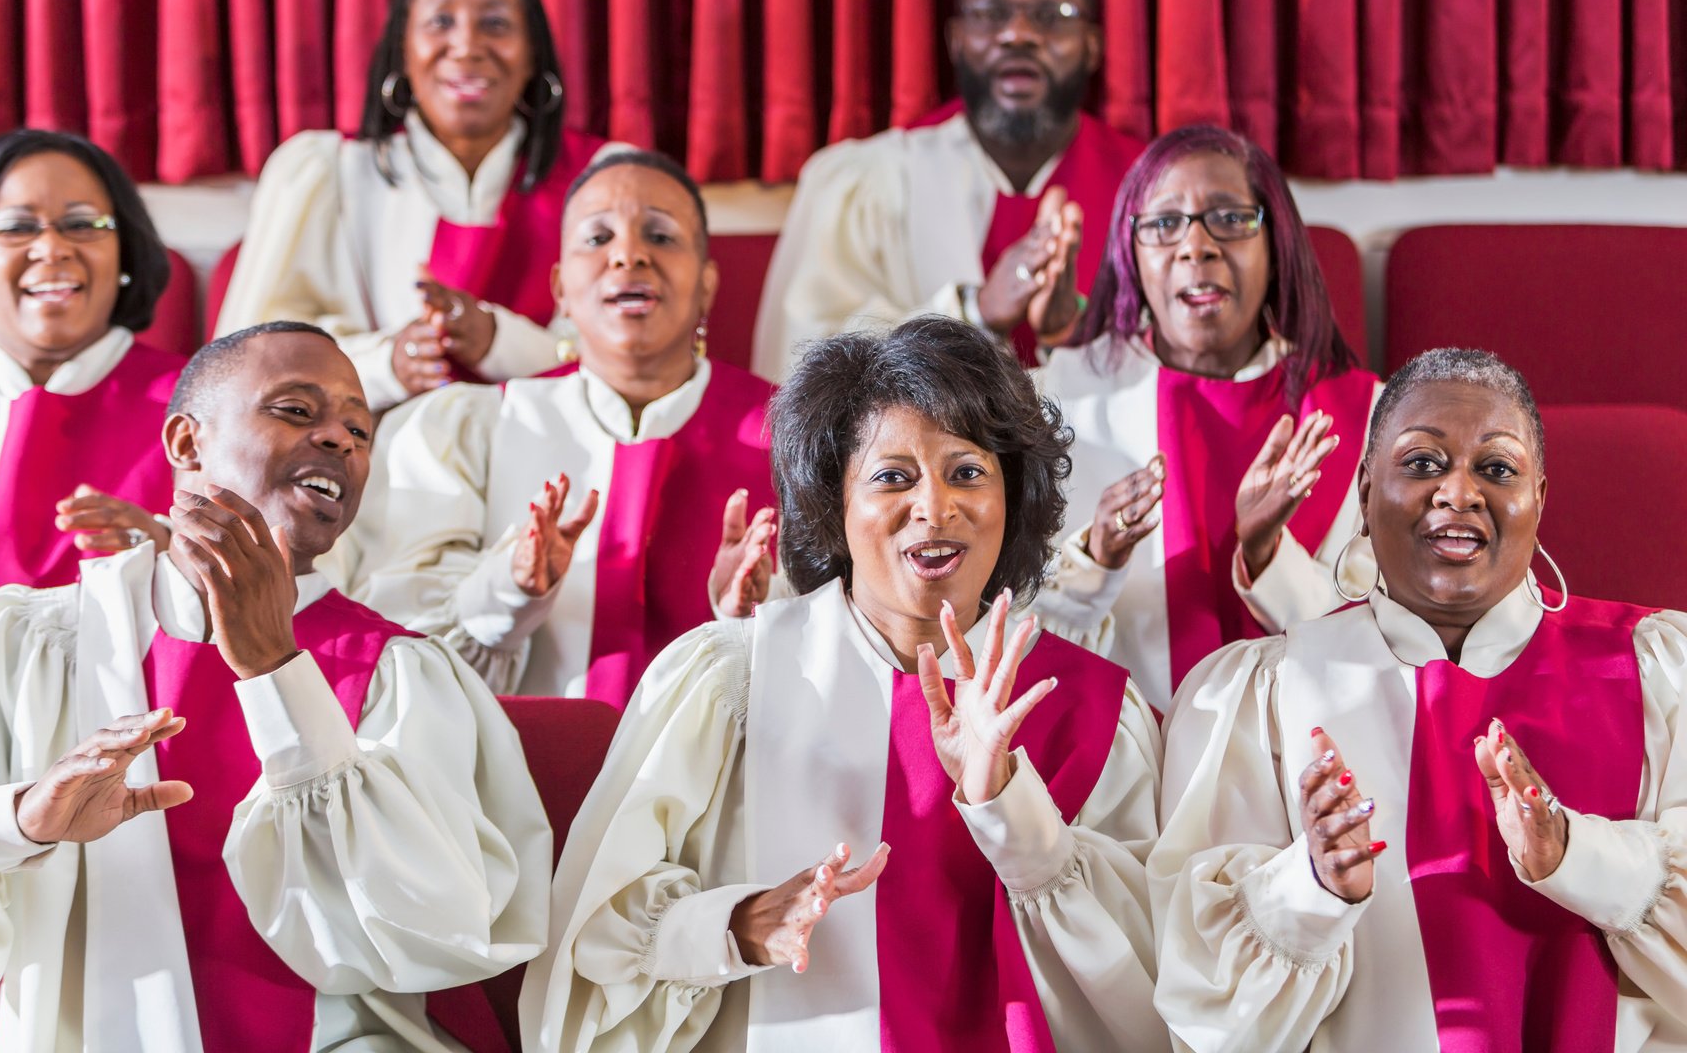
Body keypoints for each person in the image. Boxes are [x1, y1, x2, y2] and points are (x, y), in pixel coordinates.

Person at [532, 316, 1165, 1051]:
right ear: (834, 503)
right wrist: (736, 925)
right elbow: (598, 939)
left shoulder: (1091, 710)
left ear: (1013, 499)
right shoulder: (728, 682)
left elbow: (1148, 992)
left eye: (967, 472)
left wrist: (1012, 816)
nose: (935, 508)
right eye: (892, 477)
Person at [0, 322, 551, 1050]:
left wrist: (279, 671)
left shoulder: (401, 671)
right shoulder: (29, 643)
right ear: (185, 443)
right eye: (297, 411)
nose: (338, 439)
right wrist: (21, 820)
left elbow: (442, 928)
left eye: (358, 430)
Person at [1149, 348, 1687, 1051]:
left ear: (1541, 499)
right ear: (1366, 494)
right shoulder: (1255, 697)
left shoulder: (1659, 669)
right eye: (1423, 463)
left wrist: (1578, 856)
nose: (1458, 493)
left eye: (1496, 469)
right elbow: (1205, 1006)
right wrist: (1309, 888)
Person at [344, 150, 777, 702]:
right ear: (560, 289)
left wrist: (758, 615)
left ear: (707, 286)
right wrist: (509, 591)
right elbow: (405, 657)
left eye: (662, 237)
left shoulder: (794, 433)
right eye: (597, 239)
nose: (629, 255)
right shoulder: (474, 427)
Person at [1035, 124, 1380, 712]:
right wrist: (1097, 557)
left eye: (1229, 218)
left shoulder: (1365, 414)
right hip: (1124, 772)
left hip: (1295, 761)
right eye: (1165, 224)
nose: (1196, 247)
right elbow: (1013, 631)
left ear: (1278, 245)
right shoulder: (1059, 403)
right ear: (1131, 253)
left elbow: (1381, 646)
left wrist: (1268, 553)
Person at [216, 0, 613, 413]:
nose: (467, 46)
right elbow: (249, 366)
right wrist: (390, 363)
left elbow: (636, 359)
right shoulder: (326, 173)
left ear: (533, 53)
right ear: (403, 48)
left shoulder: (603, 179)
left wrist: (496, 340)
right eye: (440, 22)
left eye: (496, 24)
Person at [751, 0, 1143, 379]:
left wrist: (1069, 336)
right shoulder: (878, 178)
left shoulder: (1152, 187)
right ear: (956, 41)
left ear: (1092, 45)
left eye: (1051, 16)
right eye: (991, 14)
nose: (1018, 35)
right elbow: (808, 366)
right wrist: (975, 312)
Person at [0, 128, 186, 611]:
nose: (52, 248)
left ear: (124, 252)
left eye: (83, 224)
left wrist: (172, 556)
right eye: (18, 228)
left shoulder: (203, 405)